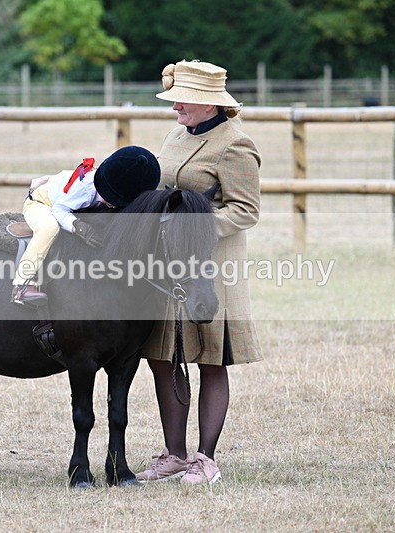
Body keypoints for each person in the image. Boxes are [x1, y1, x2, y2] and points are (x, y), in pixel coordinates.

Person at [136, 60, 262, 485]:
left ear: (208, 103)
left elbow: (245, 211)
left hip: (211, 267)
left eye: (181, 101)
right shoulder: (176, 133)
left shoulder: (235, 144)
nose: (174, 108)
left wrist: (193, 227)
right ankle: (174, 453)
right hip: (166, 266)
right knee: (161, 356)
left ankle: (205, 458)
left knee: (210, 360)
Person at [11, 145, 161, 305]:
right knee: (49, 228)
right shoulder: (85, 189)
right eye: (111, 199)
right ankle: (22, 284)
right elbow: (59, 210)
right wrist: (79, 227)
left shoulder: (111, 180)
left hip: (61, 198)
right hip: (43, 202)